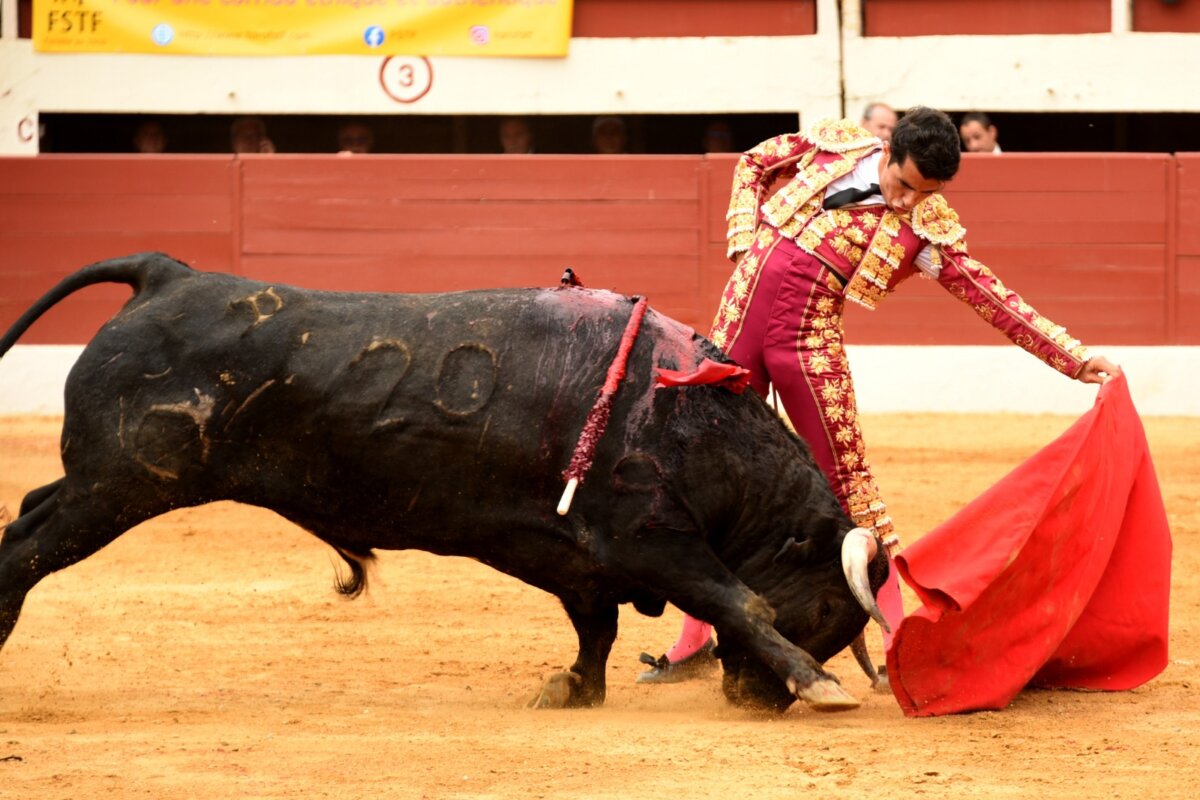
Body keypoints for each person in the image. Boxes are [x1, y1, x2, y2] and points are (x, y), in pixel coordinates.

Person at [636, 106, 1120, 685]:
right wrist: (743, 236)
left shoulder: (927, 229)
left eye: (924, 194)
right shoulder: (836, 144)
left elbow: (993, 298)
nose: (907, 204)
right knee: (707, 478)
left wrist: (1072, 357)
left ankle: (896, 642)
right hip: (736, 324)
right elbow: (755, 161)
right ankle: (693, 642)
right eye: (904, 185)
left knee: (849, 489)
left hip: (808, 345)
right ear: (887, 152)